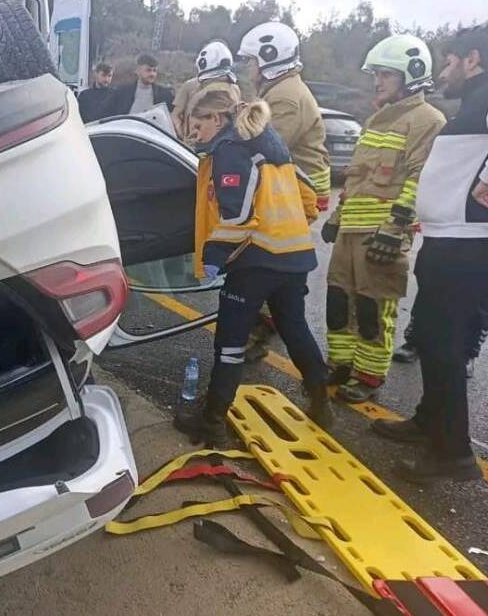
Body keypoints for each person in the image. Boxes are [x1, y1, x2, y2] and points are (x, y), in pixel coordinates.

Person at [372, 23, 488, 483]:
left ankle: (452, 455)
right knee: (434, 337)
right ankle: (429, 421)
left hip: (469, 245)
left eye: (450, 60)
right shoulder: (480, 101)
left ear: (472, 59)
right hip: (454, 240)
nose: (445, 69)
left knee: (441, 344)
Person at [173, 89, 330, 447]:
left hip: (256, 261)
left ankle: (211, 422)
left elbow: (239, 215)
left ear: (217, 119)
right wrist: (291, 225)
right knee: (295, 329)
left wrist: (214, 255)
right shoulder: (269, 140)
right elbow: (307, 192)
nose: (195, 135)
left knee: (230, 343)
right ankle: (322, 403)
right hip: (294, 256)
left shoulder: (230, 148)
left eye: (198, 126)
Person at [320, 35, 445, 404]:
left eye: (385, 75)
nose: (377, 82)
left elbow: (419, 178)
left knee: (374, 308)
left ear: (412, 74)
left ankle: (369, 375)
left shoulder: (427, 120)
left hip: (383, 233)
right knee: (339, 300)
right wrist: (339, 214)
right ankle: (340, 363)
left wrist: (395, 228)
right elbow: (357, 177)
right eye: (376, 74)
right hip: (351, 230)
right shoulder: (376, 120)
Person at [237, 22, 332, 361]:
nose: (249, 68)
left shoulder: (286, 96)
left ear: (268, 58)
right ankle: (264, 322)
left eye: (252, 61)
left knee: (264, 261)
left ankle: (261, 328)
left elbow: (267, 146)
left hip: (296, 192)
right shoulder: (280, 90)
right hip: (291, 189)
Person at [172, 40, 242, 141]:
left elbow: (195, 134)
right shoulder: (235, 88)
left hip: (204, 150)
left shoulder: (202, 95)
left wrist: (185, 142)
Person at [99, 53, 174, 118]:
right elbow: (104, 113)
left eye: (154, 71)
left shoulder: (165, 95)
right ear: (137, 70)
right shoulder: (121, 93)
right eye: (148, 70)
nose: (152, 74)